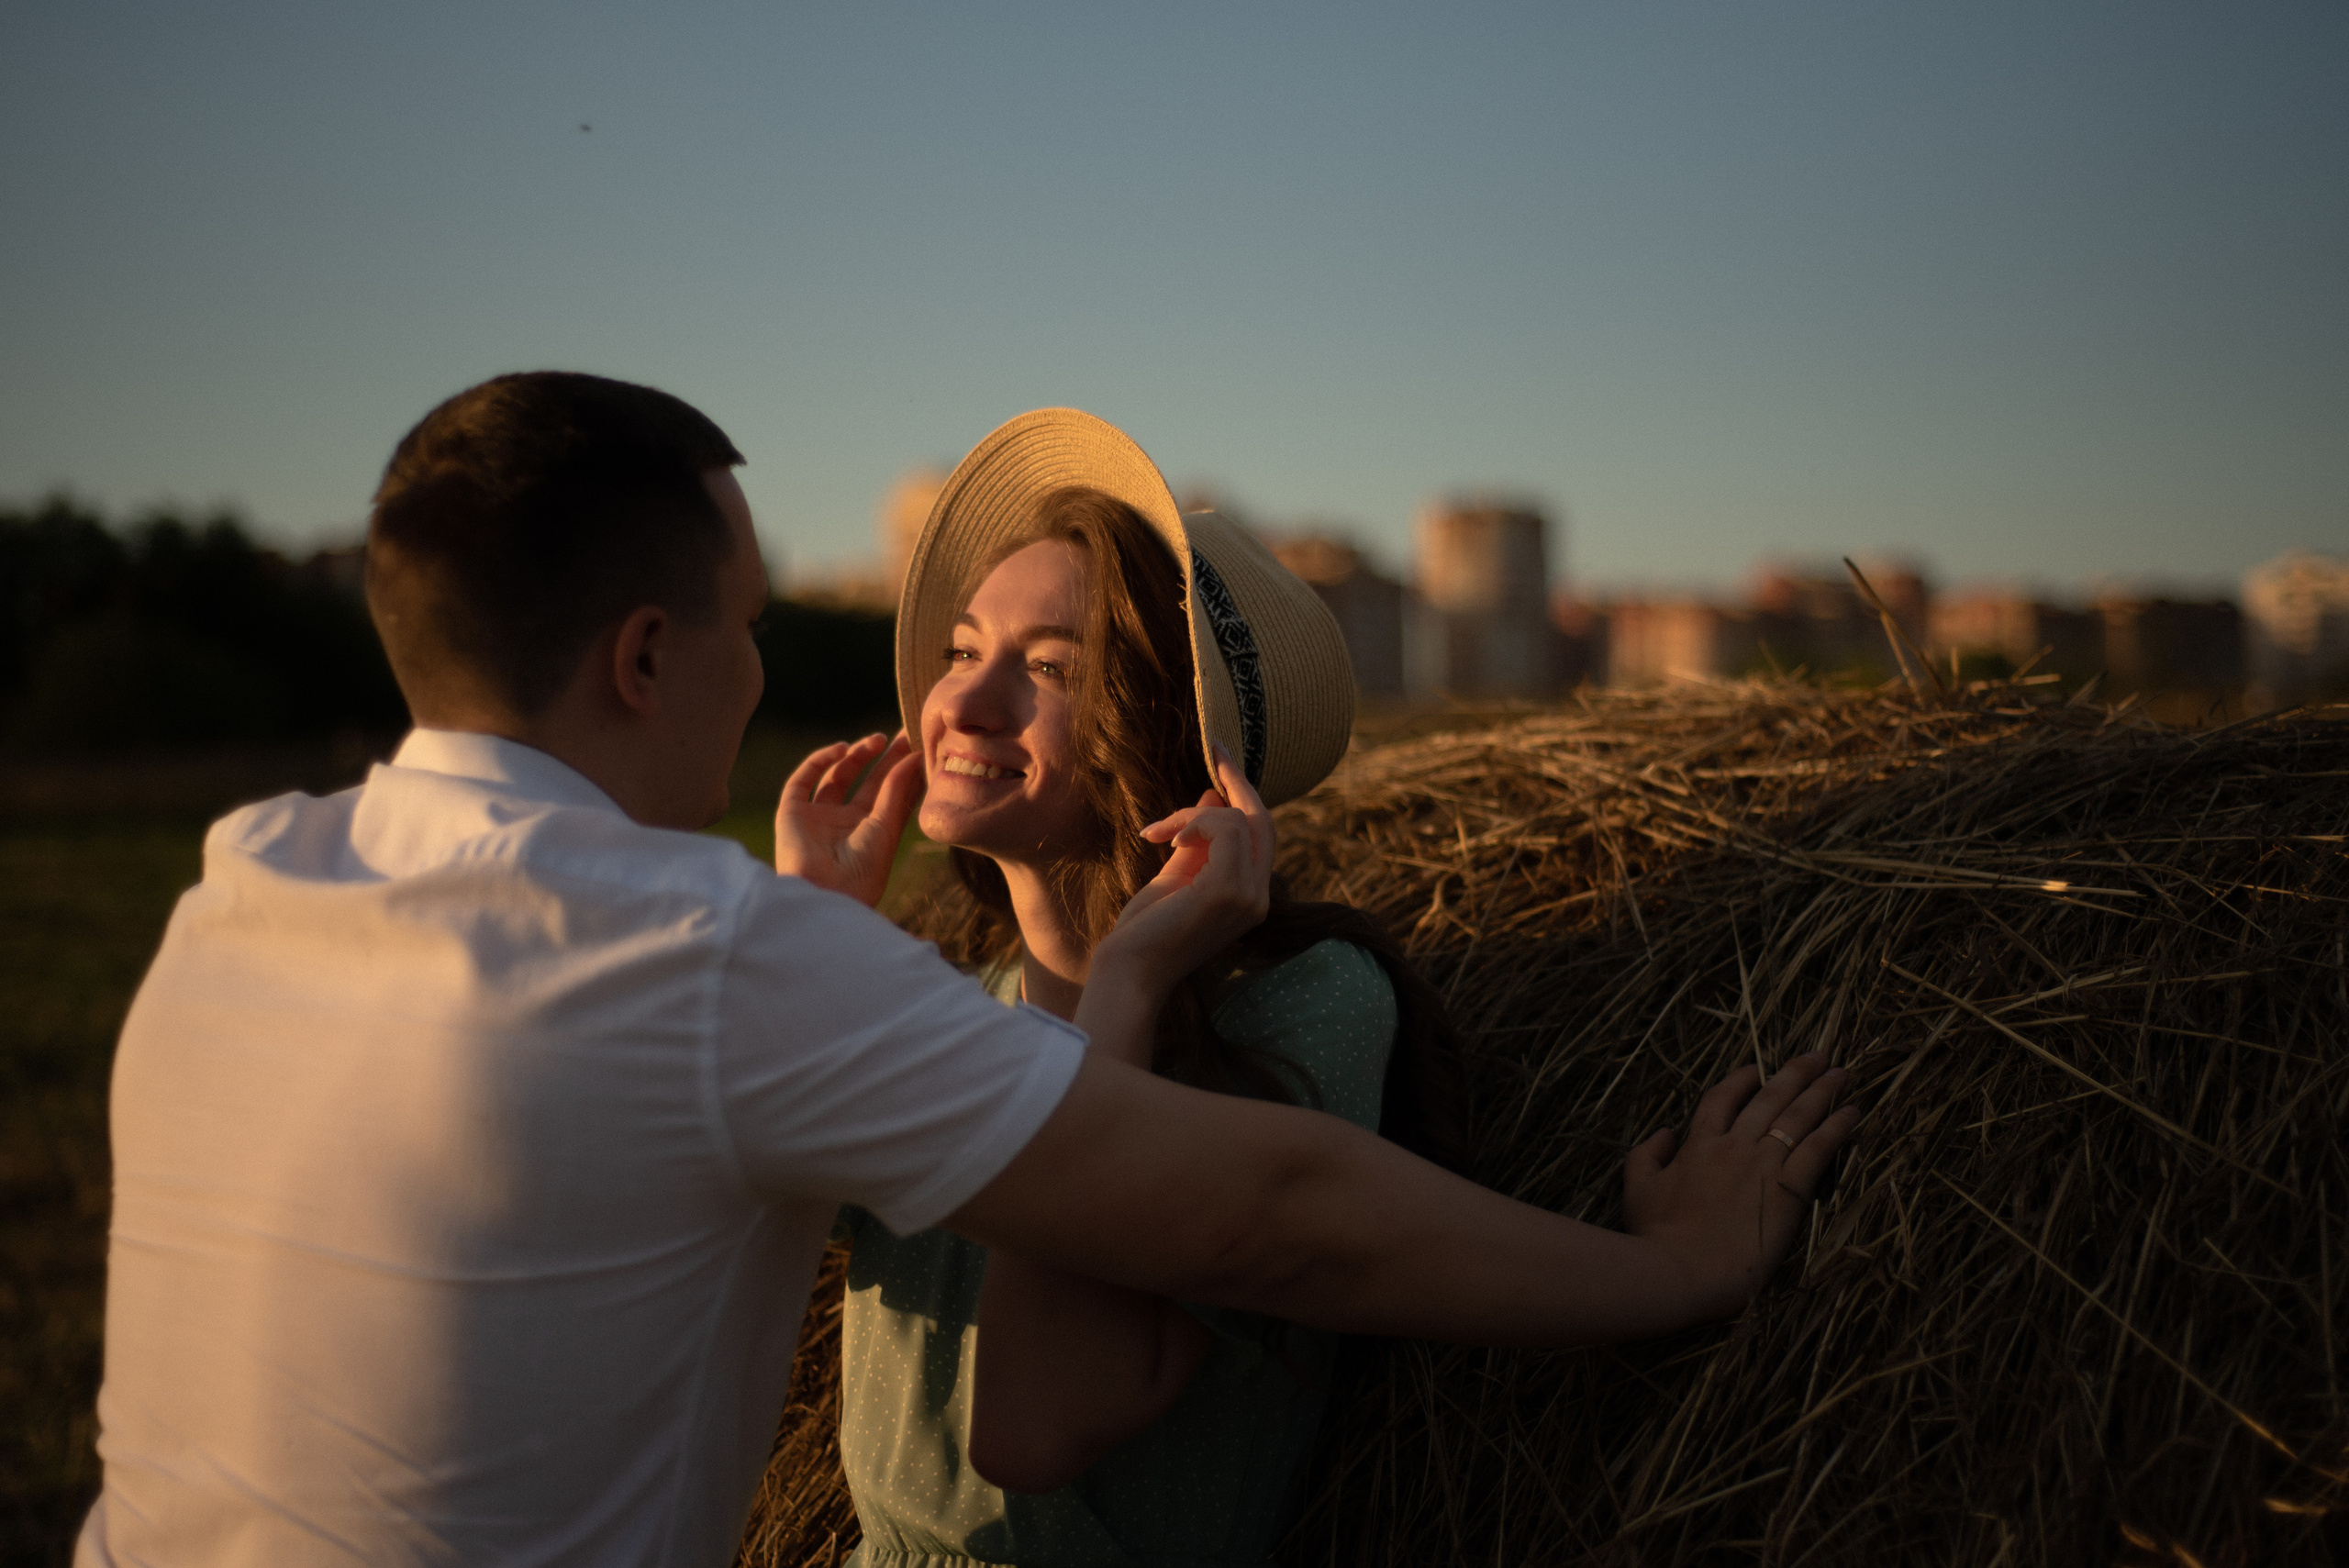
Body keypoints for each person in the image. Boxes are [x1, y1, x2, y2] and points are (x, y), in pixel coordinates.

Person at [79, 373, 1858, 1568]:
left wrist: (852, 951)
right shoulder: (751, 963)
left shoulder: (234, 895)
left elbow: (1112, 1331)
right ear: (642, 655)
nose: (940, 690)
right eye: (758, 621)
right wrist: (1671, 1267)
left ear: (1165, 729)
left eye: (1047, 662)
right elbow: (1250, 1216)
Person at [818, 410, 1470, 1566]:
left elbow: (1033, 1421)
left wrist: (1121, 985)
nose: (963, 701)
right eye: (965, 650)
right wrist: (799, 935)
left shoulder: (1301, 1007)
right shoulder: (940, 1010)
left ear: (1167, 738)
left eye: (1051, 669)